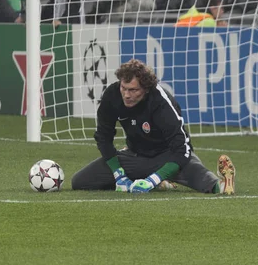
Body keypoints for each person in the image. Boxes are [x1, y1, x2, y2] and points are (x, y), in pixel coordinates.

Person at [71, 59, 236, 195]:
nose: (126, 95)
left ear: (146, 89)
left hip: (168, 157)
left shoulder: (160, 101)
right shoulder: (112, 96)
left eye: (133, 90)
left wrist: (152, 181)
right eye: (124, 88)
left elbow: (181, 148)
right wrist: (119, 175)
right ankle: (156, 179)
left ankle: (224, 180)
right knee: (80, 181)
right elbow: (103, 137)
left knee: (211, 186)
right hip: (134, 156)